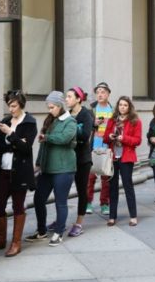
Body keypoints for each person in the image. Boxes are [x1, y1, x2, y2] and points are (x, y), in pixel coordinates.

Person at [0, 90, 37, 257]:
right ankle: (1, 240)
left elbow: (26, 148)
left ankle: (16, 243)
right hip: (2, 171)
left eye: (13, 105)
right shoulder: (6, 121)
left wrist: (10, 134)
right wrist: (14, 143)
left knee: (17, 206)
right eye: (9, 105)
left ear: (21, 105)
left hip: (20, 172)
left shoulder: (29, 122)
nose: (11, 109)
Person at [28, 91, 77, 246]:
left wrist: (47, 137)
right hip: (47, 168)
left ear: (60, 105)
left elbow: (64, 138)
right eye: (48, 107)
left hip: (64, 168)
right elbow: (43, 146)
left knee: (60, 202)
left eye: (52, 107)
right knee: (38, 199)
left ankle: (58, 232)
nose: (50, 110)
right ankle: (41, 231)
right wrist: (37, 164)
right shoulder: (50, 121)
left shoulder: (70, 121)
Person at [103, 96, 142, 226]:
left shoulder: (135, 121)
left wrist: (123, 138)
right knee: (112, 187)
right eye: (120, 105)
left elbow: (137, 140)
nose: (122, 107)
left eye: (125, 105)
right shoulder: (112, 120)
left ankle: (133, 216)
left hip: (126, 158)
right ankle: (112, 217)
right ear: (117, 106)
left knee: (127, 186)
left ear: (129, 107)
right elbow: (105, 138)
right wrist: (109, 136)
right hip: (113, 157)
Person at [66, 87, 95, 237]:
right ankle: (61, 219)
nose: (66, 99)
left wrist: (70, 131)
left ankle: (79, 222)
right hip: (67, 158)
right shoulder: (67, 114)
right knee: (62, 189)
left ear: (78, 99)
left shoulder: (86, 114)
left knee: (81, 190)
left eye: (70, 96)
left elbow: (84, 136)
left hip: (82, 159)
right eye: (66, 97)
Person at [87, 82, 114, 215]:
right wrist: (94, 123)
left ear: (108, 94)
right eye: (98, 92)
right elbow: (86, 126)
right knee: (90, 177)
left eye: (103, 92)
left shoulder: (113, 110)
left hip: (107, 147)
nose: (100, 94)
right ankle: (88, 202)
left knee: (106, 178)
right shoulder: (91, 109)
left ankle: (104, 203)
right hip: (93, 147)